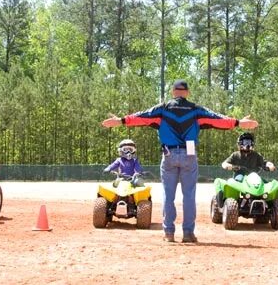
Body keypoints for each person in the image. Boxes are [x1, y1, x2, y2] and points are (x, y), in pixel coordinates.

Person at [102, 79, 258, 243]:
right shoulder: (195, 110)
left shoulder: (162, 109)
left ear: (173, 91)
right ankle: (188, 234)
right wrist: (239, 123)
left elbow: (141, 116)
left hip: (168, 155)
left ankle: (169, 233)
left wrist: (120, 121)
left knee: (168, 196)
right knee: (189, 196)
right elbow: (217, 119)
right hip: (189, 156)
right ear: (187, 92)